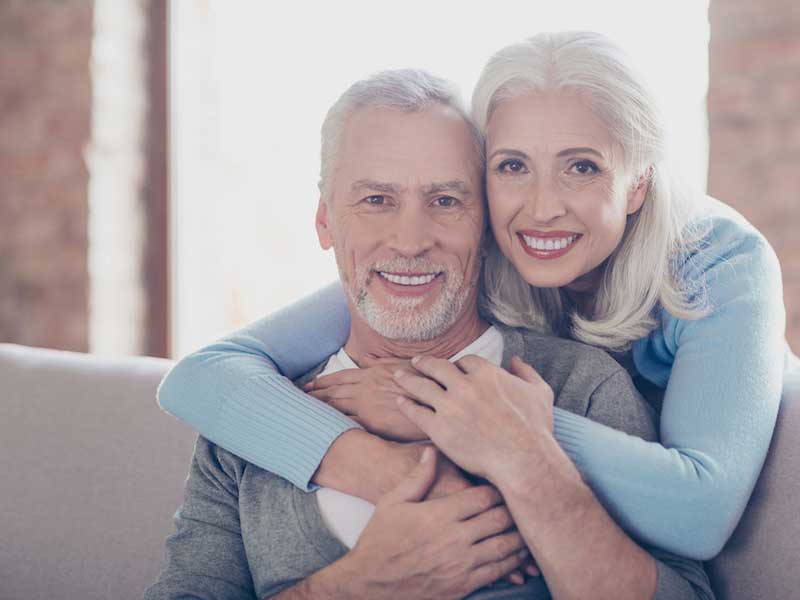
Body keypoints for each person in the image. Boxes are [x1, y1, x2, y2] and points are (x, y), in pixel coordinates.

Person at [158, 32, 787, 561]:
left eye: (583, 166)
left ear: (637, 182)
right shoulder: (473, 251)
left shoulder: (720, 265)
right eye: (513, 166)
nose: (542, 208)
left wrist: (450, 412)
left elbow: (700, 513)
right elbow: (203, 376)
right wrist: (370, 462)